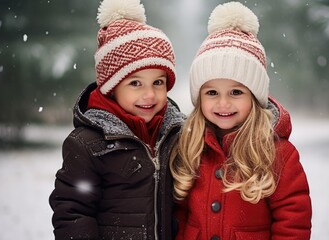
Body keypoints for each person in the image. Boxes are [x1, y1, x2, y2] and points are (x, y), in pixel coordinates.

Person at [170, 2, 312, 240]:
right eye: (212, 93)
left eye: (236, 92)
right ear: (199, 99)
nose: (223, 103)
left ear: (255, 97)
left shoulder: (278, 154)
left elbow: (293, 221)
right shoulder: (190, 147)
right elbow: (180, 216)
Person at [49, 0, 185, 239]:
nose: (150, 94)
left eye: (158, 82)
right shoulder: (88, 144)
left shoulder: (175, 135)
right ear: (111, 87)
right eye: (135, 83)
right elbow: (73, 213)